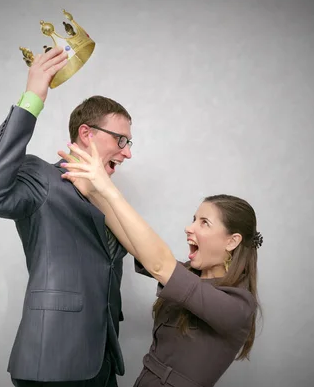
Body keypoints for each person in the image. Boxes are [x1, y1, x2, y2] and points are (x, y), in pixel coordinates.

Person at [0, 45, 134, 386]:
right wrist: (32, 98)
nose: (127, 152)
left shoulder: (110, 198)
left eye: (130, 142)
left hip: (102, 360)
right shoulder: (42, 178)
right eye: (121, 139)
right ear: (86, 133)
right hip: (53, 363)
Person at [58, 139, 263, 387]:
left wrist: (108, 189)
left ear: (232, 241)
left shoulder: (239, 305)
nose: (189, 228)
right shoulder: (192, 276)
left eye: (204, 223)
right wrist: (92, 192)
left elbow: (159, 264)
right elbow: (135, 244)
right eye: (194, 219)